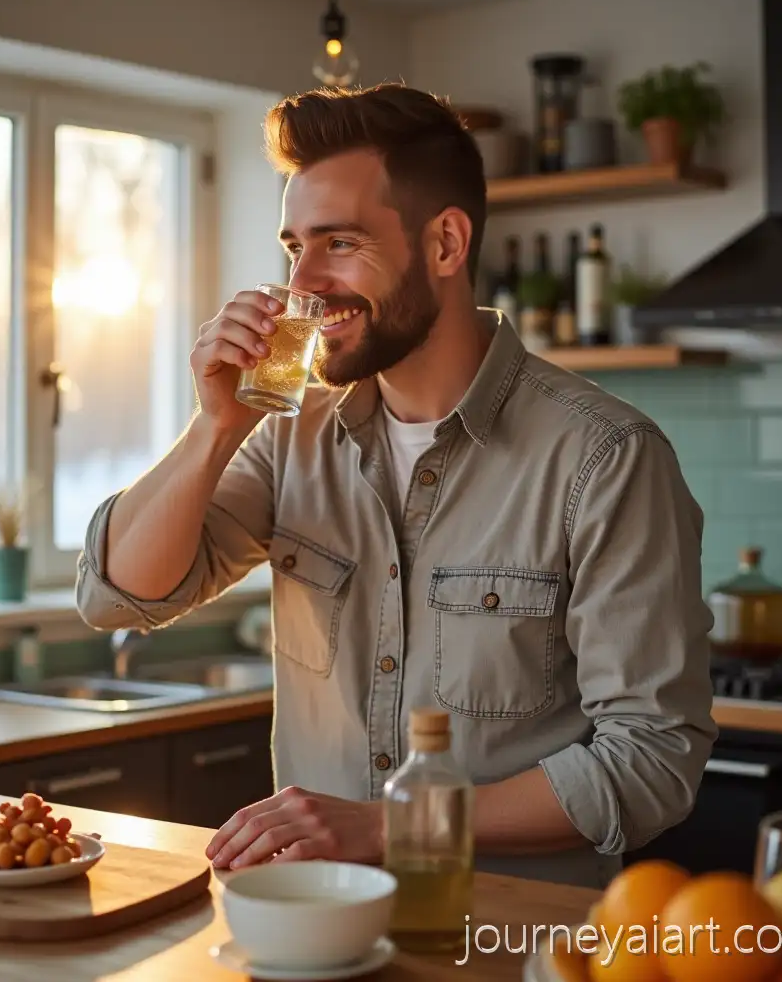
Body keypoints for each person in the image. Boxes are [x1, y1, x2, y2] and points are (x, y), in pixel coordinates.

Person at [75, 82, 717, 890]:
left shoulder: (606, 457)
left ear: (446, 244)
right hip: (321, 927)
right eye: (291, 248)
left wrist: (388, 827)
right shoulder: (288, 436)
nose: (301, 281)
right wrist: (215, 428)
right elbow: (119, 599)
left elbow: (652, 761)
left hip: (509, 942)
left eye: (338, 242)